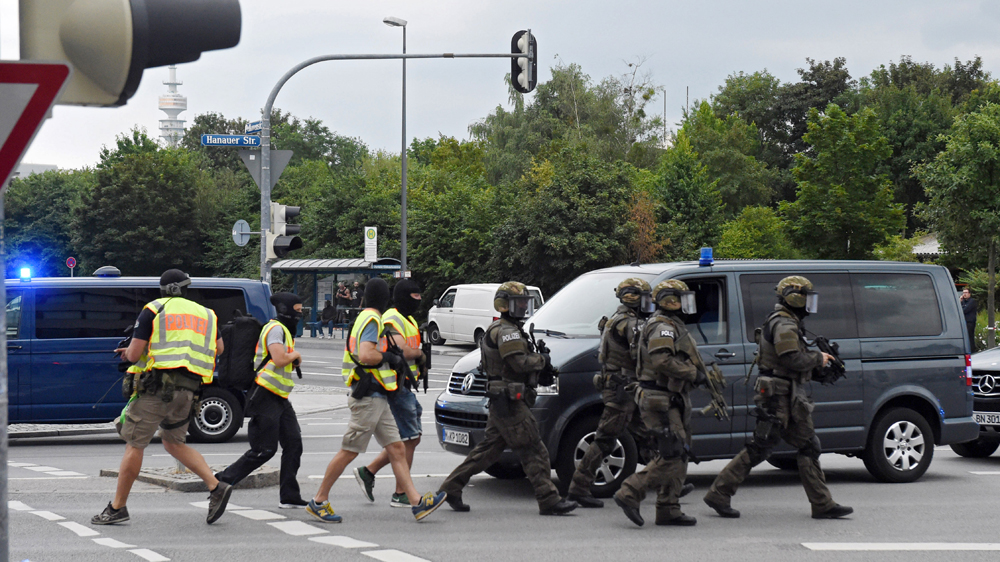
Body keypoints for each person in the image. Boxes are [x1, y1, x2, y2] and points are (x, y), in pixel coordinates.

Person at [703, 276, 853, 520]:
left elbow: (791, 362)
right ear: (795, 298)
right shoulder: (784, 324)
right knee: (761, 445)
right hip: (777, 395)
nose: (809, 305)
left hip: (787, 394)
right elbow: (790, 358)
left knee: (808, 445)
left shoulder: (788, 322)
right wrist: (819, 359)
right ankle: (719, 492)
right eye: (806, 299)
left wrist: (819, 367)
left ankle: (822, 503)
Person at [92, 269, 231, 525]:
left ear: (166, 289)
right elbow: (219, 348)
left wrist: (131, 351)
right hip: (189, 391)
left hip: (157, 390)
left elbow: (134, 355)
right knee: (174, 443)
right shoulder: (207, 314)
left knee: (135, 444)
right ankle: (216, 486)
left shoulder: (154, 309)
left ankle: (117, 507)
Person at [307, 278, 446, 523]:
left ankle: (416, 502)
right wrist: (389, 357)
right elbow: (366, 354)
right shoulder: (372, 319)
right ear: (384, 298)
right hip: (368, 396)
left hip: (377, 394)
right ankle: (319, 500)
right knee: (349, 450)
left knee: (397, 448)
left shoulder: (365, 317)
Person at [438, 282, 578, 516]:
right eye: (518, 303)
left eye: (525, 302)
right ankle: (549, 499)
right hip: (510, 401)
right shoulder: (507, 331)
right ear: (505, 305)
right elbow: (518, 363)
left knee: (487, 452)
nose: (523, 306)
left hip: (504, 399)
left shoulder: (510, 328)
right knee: (534, 448)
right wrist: (542, 361)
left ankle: (451, 488)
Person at [613, 280, 707, 527]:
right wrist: (691, 373)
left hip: (671, 397)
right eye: (681, 298)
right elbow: (661, 361)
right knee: (671, 452)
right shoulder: (662, 327)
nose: (687, 304)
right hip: (659, 398)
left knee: (680, 451)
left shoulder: (671, 325)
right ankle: (630, 491)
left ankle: (668, 508)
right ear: (669, 300)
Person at [567, 278, 654, 508]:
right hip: (622, 389)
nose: (648, 303)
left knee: (647, 433)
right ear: (632, 298)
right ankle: (578, 488)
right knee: (605, 440)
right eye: (645, 298)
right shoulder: (631, 323)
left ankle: (668, 480)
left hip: (621, 387)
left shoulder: (613, 319)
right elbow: (641, 355)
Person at [216, 293, 307, 509]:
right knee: (263, 450)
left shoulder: (283, 330)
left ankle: (289, 496)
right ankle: (222, 481)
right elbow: (278, 358)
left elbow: (278, 362)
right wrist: (294, 356)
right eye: (298, 309)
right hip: (265, 394)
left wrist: (291, 359)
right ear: (286, 310)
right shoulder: (276, 328)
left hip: (279, 397)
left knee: (294, 444)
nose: (301, 313)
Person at [354, 279, 426, 507]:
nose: (418, 301)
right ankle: (401, 493)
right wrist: (420, 354)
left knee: (407, 440)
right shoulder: (392, 318)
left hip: (404, 384)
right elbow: (402, 350)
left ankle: (370, 472)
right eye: (414, 297)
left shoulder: (408, 318)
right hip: (396, 385)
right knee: (408, 438)